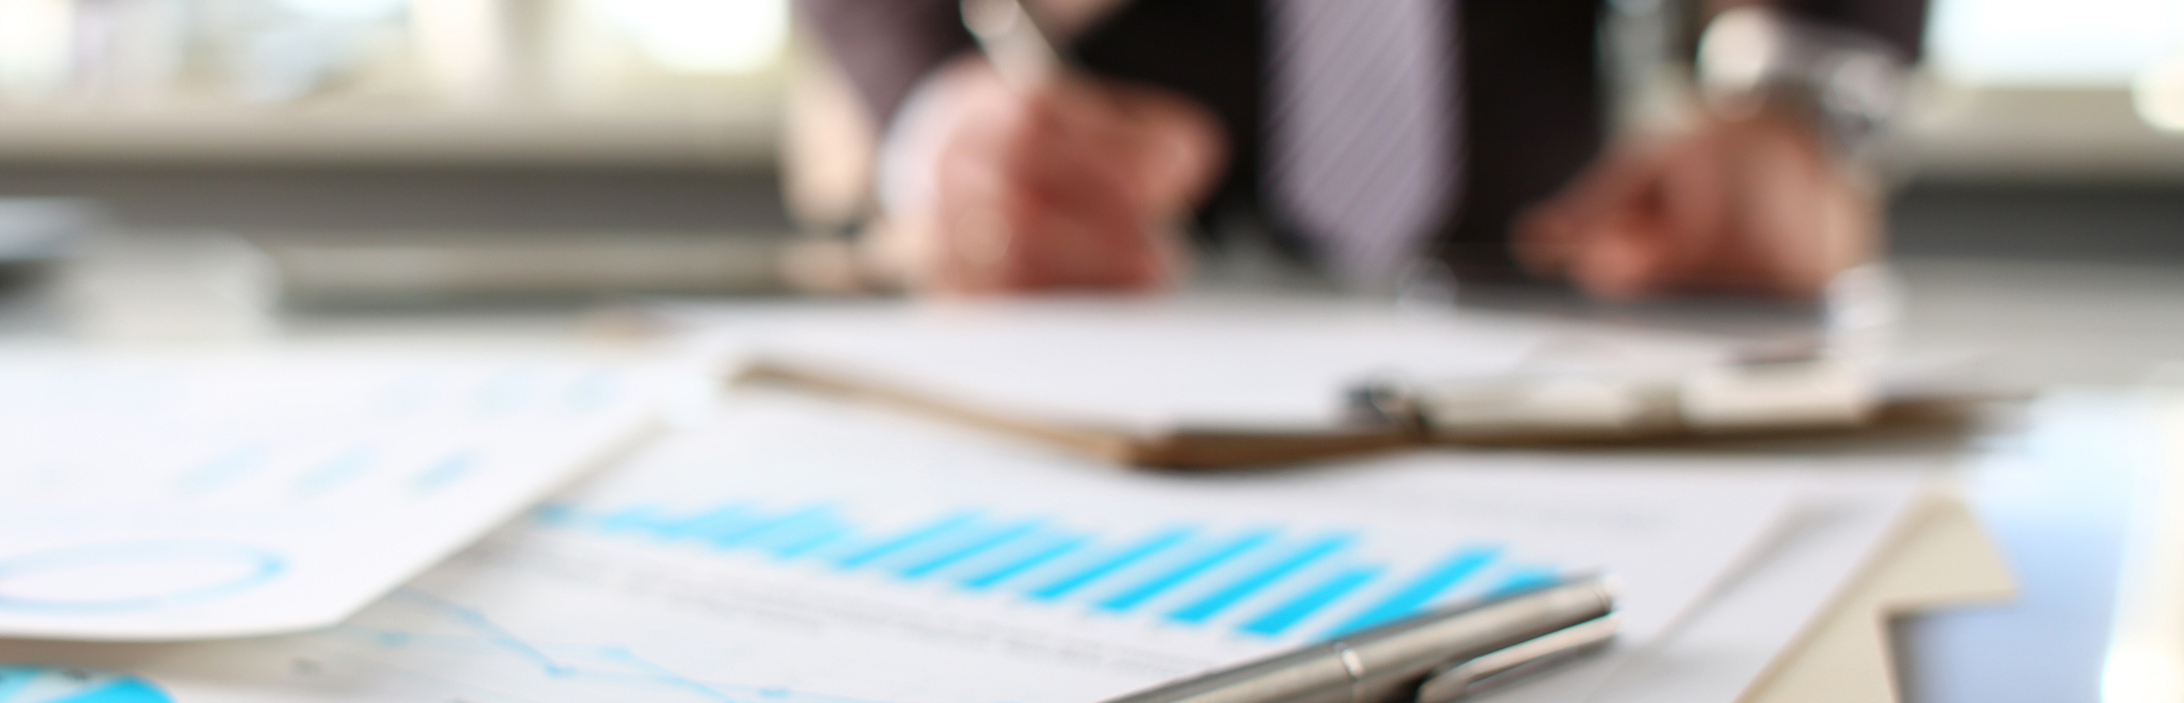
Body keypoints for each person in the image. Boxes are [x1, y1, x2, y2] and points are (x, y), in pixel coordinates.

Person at [800, 0, 1925, 300]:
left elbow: (1806, 65)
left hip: (1556, 257)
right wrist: (938, 110)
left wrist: (1793, 93)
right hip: (1100, 238)